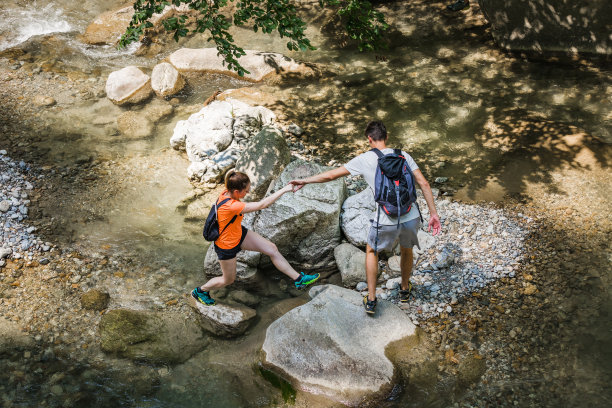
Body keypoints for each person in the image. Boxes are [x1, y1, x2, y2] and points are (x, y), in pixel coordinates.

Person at [290, 121, 441, 314]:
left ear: (369, 139)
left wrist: (304, 180)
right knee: (406, 249)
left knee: (372, 251)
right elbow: (424, 184)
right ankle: (404, 290)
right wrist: (433, 214)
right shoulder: (403, 155)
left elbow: (330, 176)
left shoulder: (364, 159)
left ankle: (371, 299)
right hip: (410, 214)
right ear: (386, 137)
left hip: (385, 218)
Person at [192, 170, 320, 306]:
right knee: (228, 279)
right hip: (226, 245)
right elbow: (261, 205)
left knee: (271, 249)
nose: (247, 193)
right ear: (236, 191)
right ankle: (200, 291)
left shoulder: (226, 192)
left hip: (238, 234)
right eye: (245, 191)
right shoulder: (231, 206)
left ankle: (299, 279)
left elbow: (231, 178)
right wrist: (285, 189)